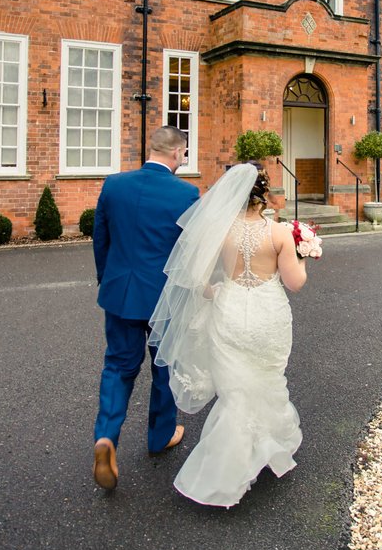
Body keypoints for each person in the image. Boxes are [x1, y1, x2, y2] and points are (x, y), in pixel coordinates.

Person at [148, 162, 309, 507]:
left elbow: (197, 280)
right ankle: (250, 455)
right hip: (268, 314)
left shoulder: (219, 232)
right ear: (264, 195)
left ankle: (236, 459)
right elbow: (295, 283)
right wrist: (305, 256)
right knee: (266, 378)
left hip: (230, 310)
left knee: (236, 391)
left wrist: (216, 291)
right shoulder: (280, 234)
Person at [91, 125, 200, 491]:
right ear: (176, 154)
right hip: (165, 297)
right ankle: (160, 435)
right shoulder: (186, 193)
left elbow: (101, 240)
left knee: (119, 366)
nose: (183, 160)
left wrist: (107, 280)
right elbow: (191, 253)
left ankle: (106, 436)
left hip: (120, 291)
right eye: (184, 155)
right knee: (164, 364)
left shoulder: (114, 185)